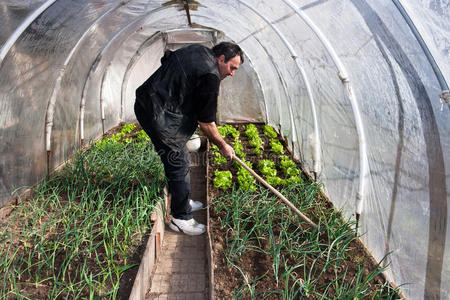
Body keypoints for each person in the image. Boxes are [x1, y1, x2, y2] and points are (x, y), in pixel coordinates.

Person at [134, 42, 244, 235]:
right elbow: (206, 123)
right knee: (179, 161)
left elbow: (167, 59)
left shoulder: (198, 50)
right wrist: (223, 146)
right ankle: (180, 217)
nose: (232, 73)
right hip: (156, 113)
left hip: (149, 100)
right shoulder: (211, 76)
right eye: (232, 67)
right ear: (221, 59)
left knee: (180, 156)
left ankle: (181, 199)